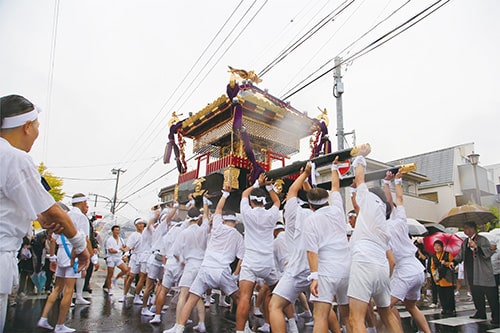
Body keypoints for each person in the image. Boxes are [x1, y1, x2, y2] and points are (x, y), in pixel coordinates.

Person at [0, 94, 90, 332]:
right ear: (27, 126)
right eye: (37, 126)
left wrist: (43, 217)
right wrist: (80, 246)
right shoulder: (14, 157)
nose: (37, 132)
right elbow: (52, 212)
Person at [167, 185, 244, 333]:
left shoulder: (217, 227)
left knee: (191, 300)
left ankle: (179, 328)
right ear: (235, 222)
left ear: (222, 220)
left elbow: (219, 209)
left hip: (205, 269)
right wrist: (236, 275)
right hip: (222, 272)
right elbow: (241, 259)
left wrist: (225, 194)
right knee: (241, 300)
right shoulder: (238, 236)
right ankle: (243, 329)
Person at [347, 144, 401, 333]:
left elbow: (360, 177)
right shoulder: (381, 220)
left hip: (363, 262)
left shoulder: (369, 202)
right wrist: (353, 192)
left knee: (356, 319)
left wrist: (360, 158)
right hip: (381, 268)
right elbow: (358, 209)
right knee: (387, 314)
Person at [303, 158, 351, 333]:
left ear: (310, 205)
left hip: (326, 271)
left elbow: (311, 252)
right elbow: (336, 187)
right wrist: (334, 167)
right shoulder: (338, 210)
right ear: (326, 200)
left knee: (320, 317)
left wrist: (314, 276)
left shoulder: (310, 220)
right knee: (348, 316)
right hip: (346, 268)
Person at [383, 171, 431, 331]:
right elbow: (397, 200)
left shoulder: (382, 230)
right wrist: (394, 181)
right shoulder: (401, 221)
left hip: (403, 272)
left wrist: (386, 184)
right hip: (417, 269)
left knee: (384, 307)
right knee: (411, 306)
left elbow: (389, 204)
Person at [269, 163, 313, 333]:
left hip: (296, 268)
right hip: (316, 267)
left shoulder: (292, 210)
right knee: (322, 310)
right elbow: (312, 198)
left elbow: (292, 192)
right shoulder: (318, 213)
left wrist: (303, 175)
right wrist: (306, 178)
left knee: (275, 305)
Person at [236, 173, 281, 333]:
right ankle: (287, 324)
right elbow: (277, 201)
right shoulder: (271, 214)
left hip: (250, 262)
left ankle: (240, 331)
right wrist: (268, 186)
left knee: (245, 298)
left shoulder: (247, 213)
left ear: (252, 201)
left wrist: (257, 183)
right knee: (279, 294)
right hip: (268, 262)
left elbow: (244, 194)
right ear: (264, 202)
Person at [451, 221, 499, 325]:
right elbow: (461, 254)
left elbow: (488, 252)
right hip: (471, 270)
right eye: (464, 228)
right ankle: (480, 311)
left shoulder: (482, 239)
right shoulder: (465, 242)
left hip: (483, 271)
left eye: (467, 228)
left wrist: (476, 247)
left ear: (473, 229)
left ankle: (496, 316)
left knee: (490, 294)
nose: (465, 231)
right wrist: (454, 262)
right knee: (476, 293)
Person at [68, 193, 98, 305]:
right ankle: (69, 298)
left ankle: (78, 296)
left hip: (65, 249)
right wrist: (92, 256)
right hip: (76, 249)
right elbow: (86, 238)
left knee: (79, 273)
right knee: (72, 274)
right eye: (86, 203)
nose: (86, 205)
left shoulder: (67, 214)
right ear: (82, 202)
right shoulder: (81, 217)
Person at [430, 240, 456, 316]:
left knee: (449, 294)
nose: (436, 247)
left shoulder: (448, 254)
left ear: (442, 247)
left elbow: (452, 264)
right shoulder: (434, 256)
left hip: (447, 278)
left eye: (438, 246)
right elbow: (432, 267)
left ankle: (451, 309)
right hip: (439, 278)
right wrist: (434, 275)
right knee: (441, 294)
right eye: (435, 246)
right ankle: (444, 308)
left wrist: (446, 263)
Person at [104, 225, 128, 296]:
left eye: (118, 230)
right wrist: (119, 250)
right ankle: (109, 289)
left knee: (125, 270)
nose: (117, 232)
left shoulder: (121, 239)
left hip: (118, 258)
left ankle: (116, 278)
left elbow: (124, 247)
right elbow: (110, 250)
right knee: (110, 274)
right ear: (112, 231)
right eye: (116, 230)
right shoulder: (109, 240)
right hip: (111, 258)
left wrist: (124, 252)